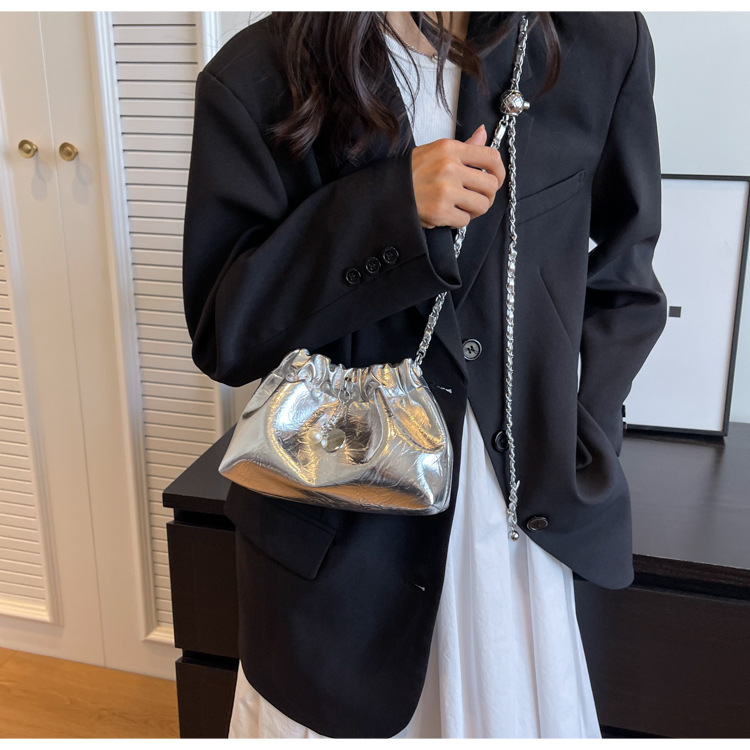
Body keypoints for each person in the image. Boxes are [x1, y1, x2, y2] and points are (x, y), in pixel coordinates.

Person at [181, 10, 666, 739]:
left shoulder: (600, 39)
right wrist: (389, 210)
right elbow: (226, 331)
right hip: (336, 547)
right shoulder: (258, 73)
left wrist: (585, 436)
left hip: (514, 538)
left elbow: (626, 280)